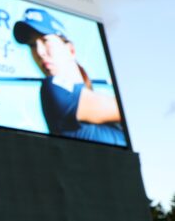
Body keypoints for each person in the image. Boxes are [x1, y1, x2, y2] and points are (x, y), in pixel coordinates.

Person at [13, 8, 126, 146]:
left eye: (45, 40)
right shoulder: (53, 88)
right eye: (32, 45)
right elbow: (127, 110)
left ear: (70, 49)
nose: (39, 52)